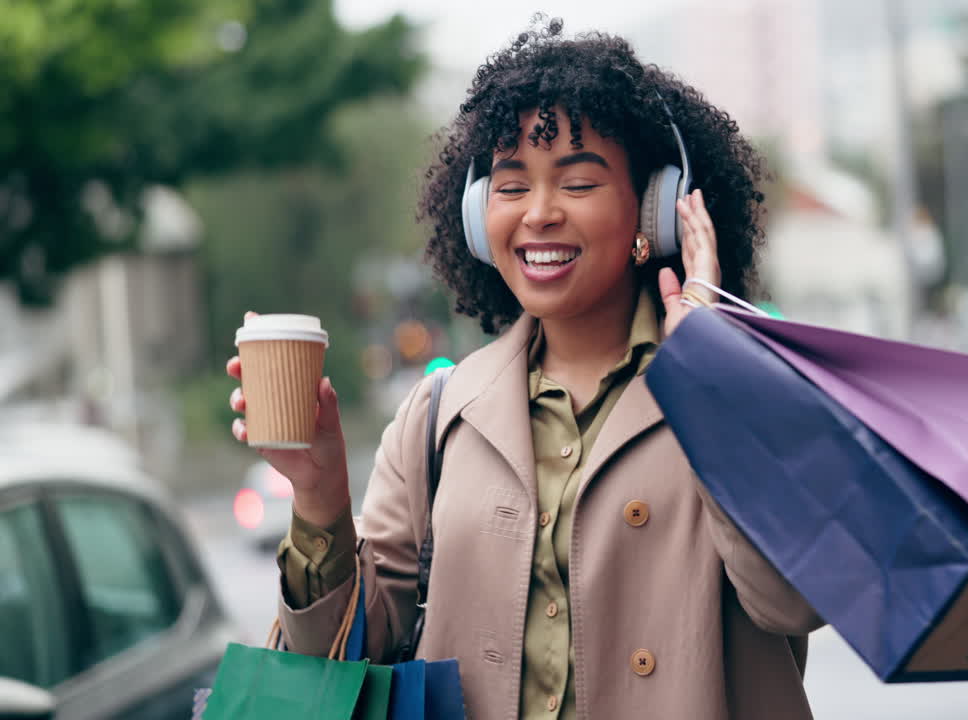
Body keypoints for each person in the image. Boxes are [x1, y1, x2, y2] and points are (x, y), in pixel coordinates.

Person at [226, 17, 823, 720]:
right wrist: (319, 498)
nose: (539, 214)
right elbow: (333, 662)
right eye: (512, 187)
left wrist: (710, 385)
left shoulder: (744, 386)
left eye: (577, 182)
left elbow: (794, 601)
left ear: (652, 213)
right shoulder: (440, 414)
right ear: (481, 220)